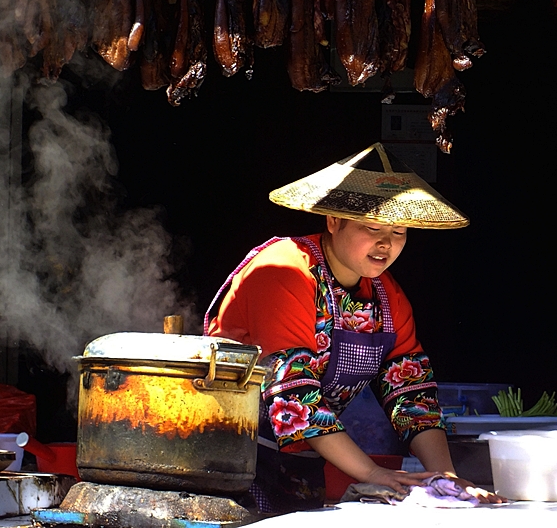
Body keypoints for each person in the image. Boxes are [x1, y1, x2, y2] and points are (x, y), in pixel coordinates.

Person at [204, 143, 500, 513]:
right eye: (372, 227)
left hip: (304, 464)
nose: (386, 244)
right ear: (333, 220)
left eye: (399, 231)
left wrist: (445, 479)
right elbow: (295, 398)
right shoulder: (283, 271)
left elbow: (412, 395)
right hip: (226, 462)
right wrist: (373, 473)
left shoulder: (387, 297)